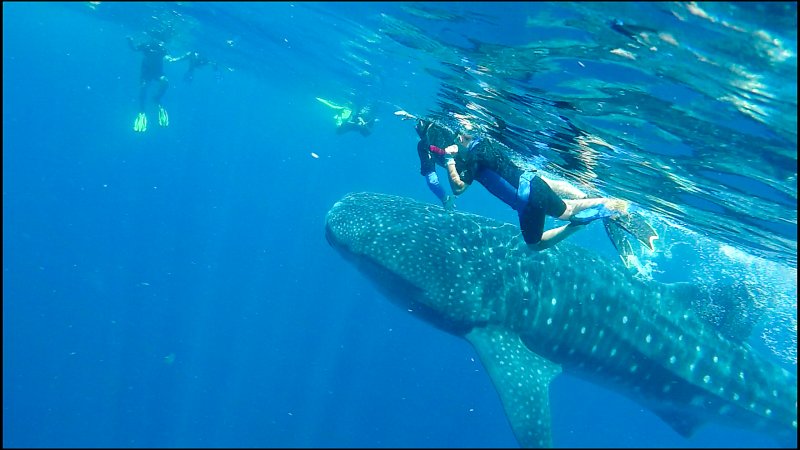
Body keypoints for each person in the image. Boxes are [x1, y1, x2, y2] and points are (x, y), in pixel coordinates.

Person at [430, 119, 630, 251]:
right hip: (535, 183)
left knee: (534, 245)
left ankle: (579, 224)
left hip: (528, 201)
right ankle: (612, 204)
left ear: (464, 137)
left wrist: (449, 159)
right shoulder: (486, 143)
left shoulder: (474, 155)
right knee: (568, 208)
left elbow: (458, 188)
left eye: (458, 137)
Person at [127, 34, 188, 132]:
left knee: (165, 82)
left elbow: (169, 58)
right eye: (155, 39)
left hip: (157, 72)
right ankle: (142, 110)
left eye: (159, 41)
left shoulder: (162, 49)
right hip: (146, 72)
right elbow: (134, 49)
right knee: (143, 86)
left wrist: (178, 58)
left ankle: (157, 99)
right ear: (151, 38)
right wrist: (130, 42)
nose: (157, 42)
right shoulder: (146, 46)